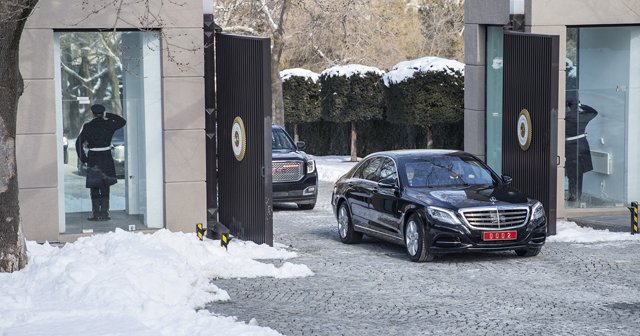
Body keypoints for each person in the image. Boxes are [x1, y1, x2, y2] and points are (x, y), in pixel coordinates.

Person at [76, 104, 126, 221]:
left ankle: (96, 213)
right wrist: (108, 115)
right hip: (106, 157)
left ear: (93, 113)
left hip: (93, 157)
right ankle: (104, 213)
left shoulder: (88, 126)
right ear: (102, 113)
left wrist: (84, 158)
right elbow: (122, 121)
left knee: (94, 187)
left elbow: (78, 143)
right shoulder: (108, 124)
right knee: (105, 187)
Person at [565, 102, 598, 202]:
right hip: (581, 147)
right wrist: (581, 105)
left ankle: (572, 196)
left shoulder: (565, 118)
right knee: (578, 174)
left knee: (571, 173)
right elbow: (594, 112)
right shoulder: (582, 117)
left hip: (569, 147)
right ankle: (576, 196)